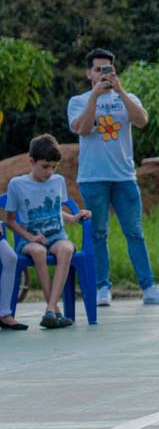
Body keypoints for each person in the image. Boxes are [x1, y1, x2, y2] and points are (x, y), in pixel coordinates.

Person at [67, 48, 159, 306]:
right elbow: (82, 128)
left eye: (108, 69)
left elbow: (142, 120)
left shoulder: (129, 97)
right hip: (92, 177)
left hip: (124, 176)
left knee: (135, 232)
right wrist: (95, 96)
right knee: (98, 233)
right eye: (98, 69)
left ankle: (149, 287)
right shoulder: (78, 101)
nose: (103, 74)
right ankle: (102, 287)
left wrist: (120, 91)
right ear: (88, 73)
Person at [3, 135, 92, 328]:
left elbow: (56, 211)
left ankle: (50, 309)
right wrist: (31, 237)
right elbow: (9, 221)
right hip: (30, 240)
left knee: (67, 249)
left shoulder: (57, 181)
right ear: (31, 161)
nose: (50, 172)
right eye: (45, 166)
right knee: (38, 251)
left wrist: (73, 218)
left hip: (56, 236)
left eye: (54, 166)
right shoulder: (17, 185)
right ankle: (54, 311)